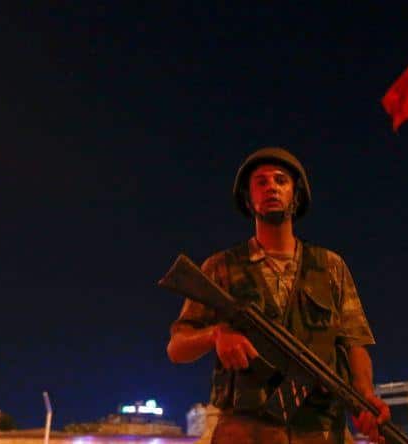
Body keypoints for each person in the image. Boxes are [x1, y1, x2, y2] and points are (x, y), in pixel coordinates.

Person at [167, 147, 390, 444]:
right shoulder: (221, 267)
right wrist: (215, 335)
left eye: (281, 180)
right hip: (244, 431)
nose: (271, 187)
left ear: (295, 196)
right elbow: (177, 348)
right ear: (249, 199)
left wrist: (364, 396)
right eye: (261, 182)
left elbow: (354, 343)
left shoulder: (330, 267)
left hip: (322, 430)